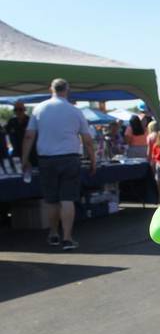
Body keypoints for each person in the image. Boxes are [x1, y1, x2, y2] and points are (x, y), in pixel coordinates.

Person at [21, 78, 95, 251]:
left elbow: (29, 136)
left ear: (50, 89)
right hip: (70, 158)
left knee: (51, 200)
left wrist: (24, 159)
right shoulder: (75, 111)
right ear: (67, 90)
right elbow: (87, 140)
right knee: (67, 199)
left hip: (46, 159)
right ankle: (67, 238)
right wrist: (93, 160)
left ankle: (53, 233)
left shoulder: (39, 109)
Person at [7, 100, 36, 168]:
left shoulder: (30, 121)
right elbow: (5, 133)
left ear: (24, 110)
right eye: (16, 109)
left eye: (20, 109)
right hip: (16, 154)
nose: (18, 112)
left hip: (30, 154)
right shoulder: (11, 121)